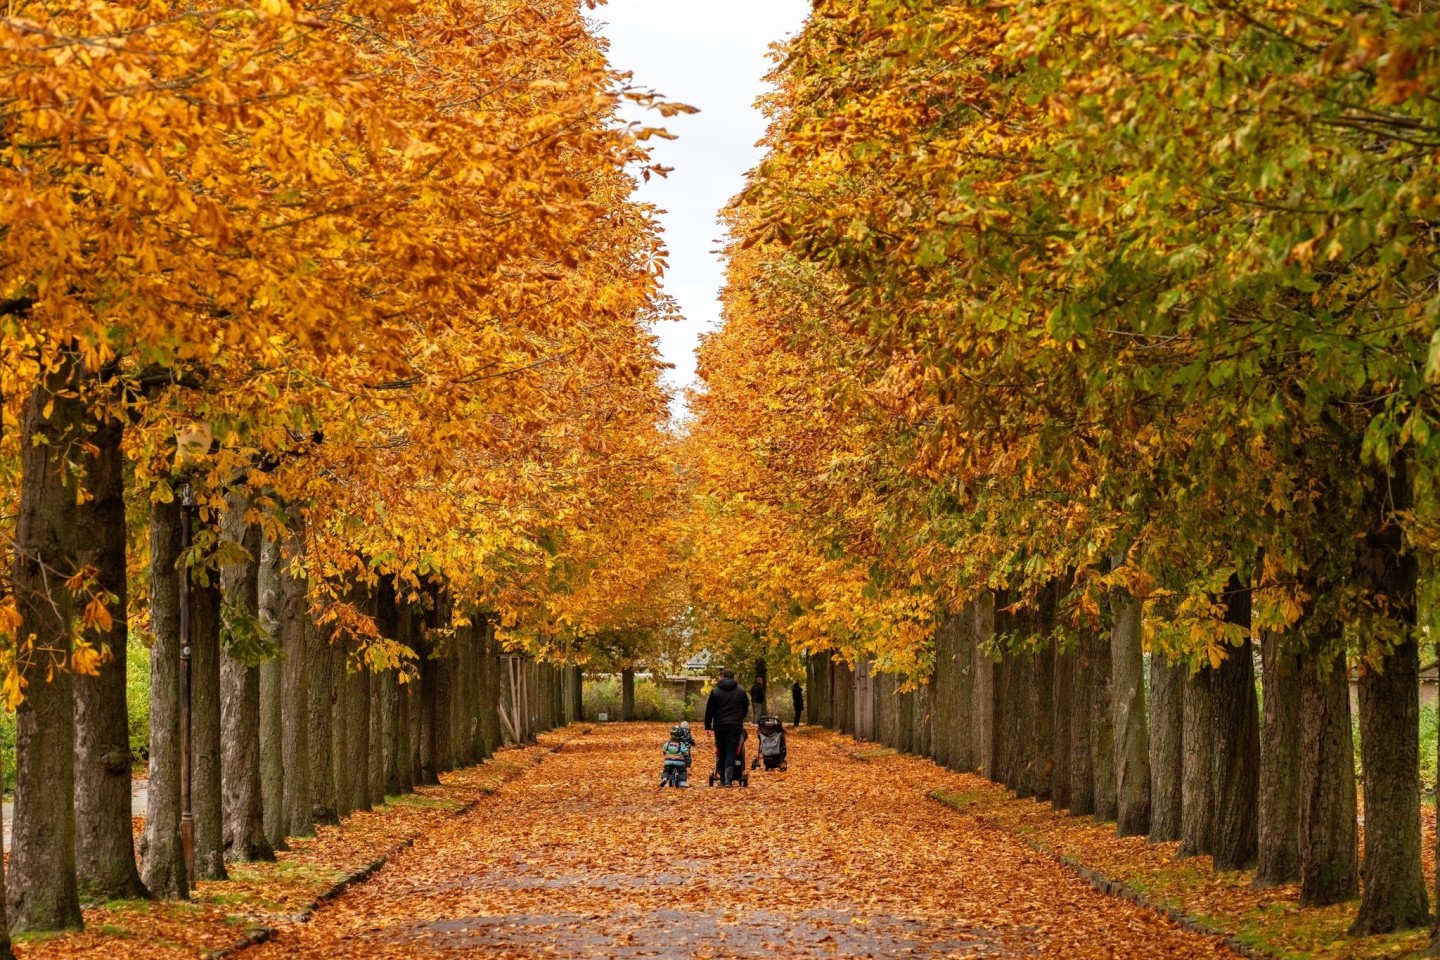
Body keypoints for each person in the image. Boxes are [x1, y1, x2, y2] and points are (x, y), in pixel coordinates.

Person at [704, 668, 749, 786]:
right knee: (731, 751)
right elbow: (745, 707)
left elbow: (710, 710)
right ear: (733, 677)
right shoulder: (741, 691)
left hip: (719, 725)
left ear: (722, 677)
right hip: (735, 725)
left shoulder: (715, 691)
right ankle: (728, 780)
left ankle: (722, 778)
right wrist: (740, 718)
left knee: (721, 750)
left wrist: (708, 726)